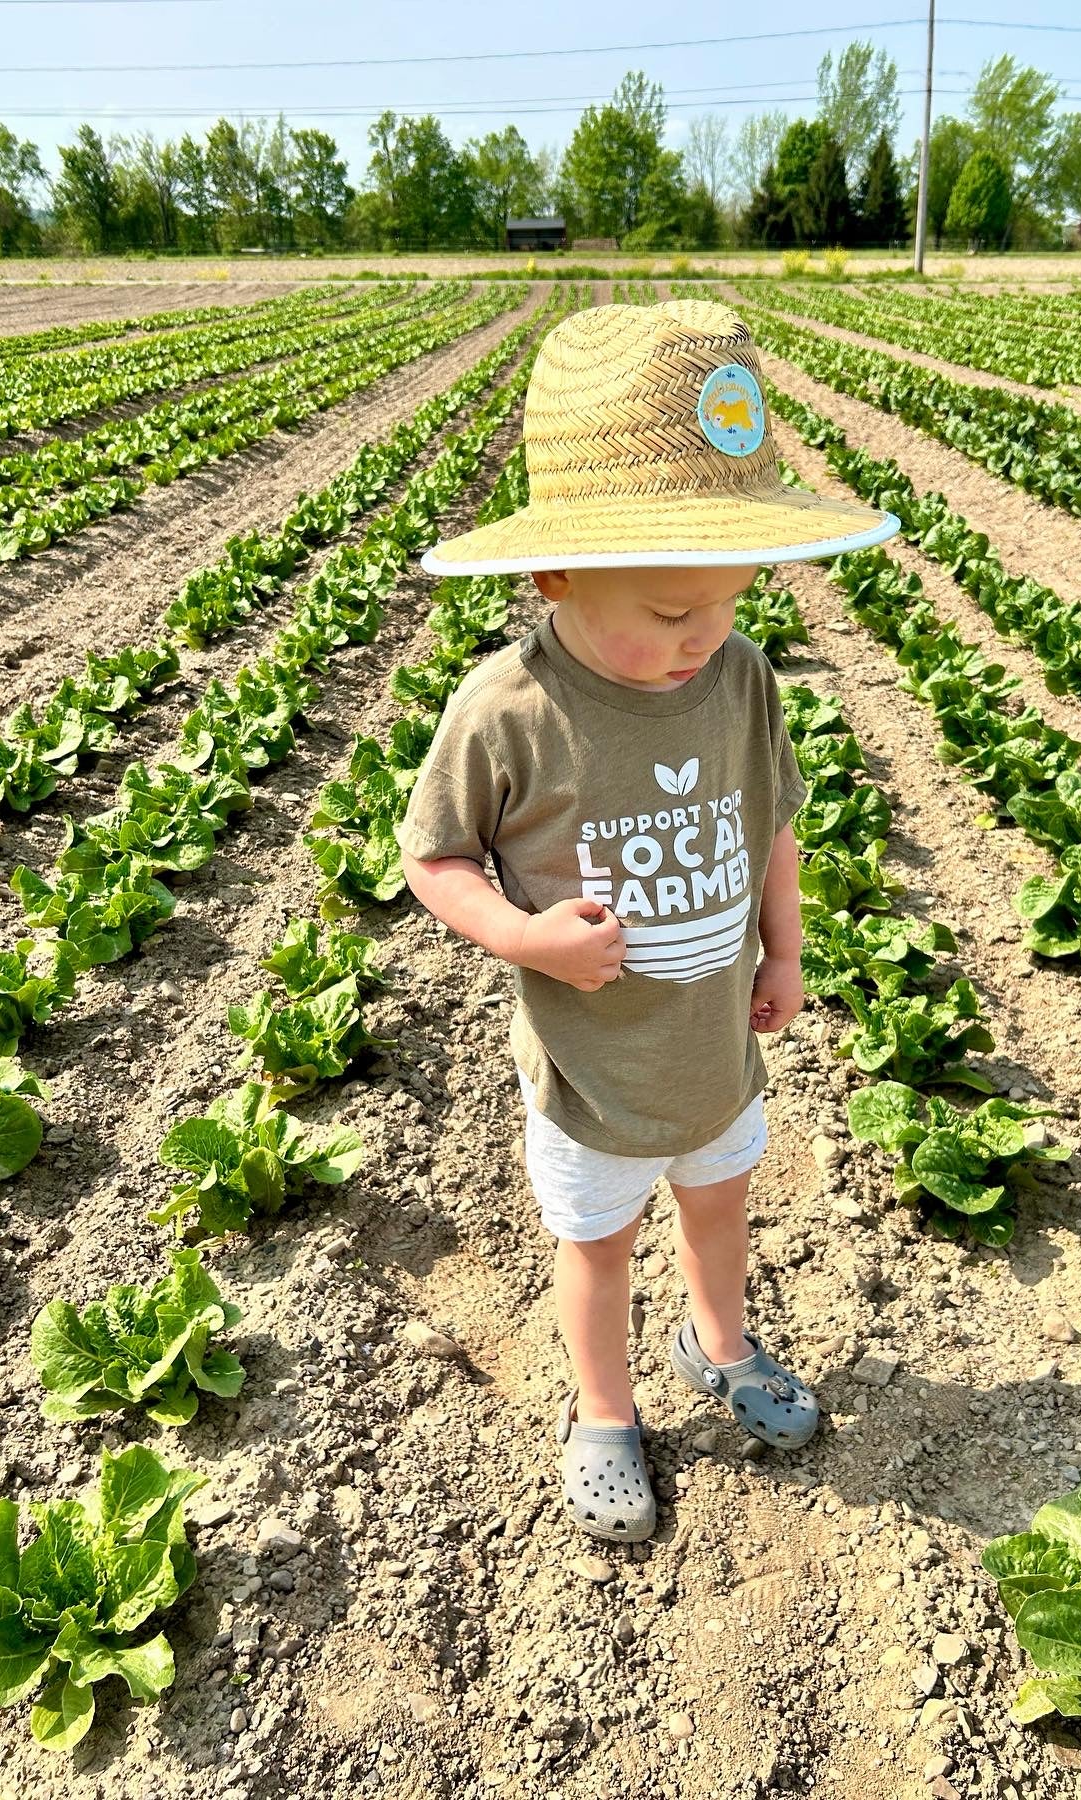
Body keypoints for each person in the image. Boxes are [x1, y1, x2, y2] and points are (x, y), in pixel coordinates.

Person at [395, 299, 898, 1543]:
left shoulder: (740, 678)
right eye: (670, 611)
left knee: (721, 1204)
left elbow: (770, 822)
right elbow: (436, 859)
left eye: (724, 601)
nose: (700, 636)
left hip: (714, 1047)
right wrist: (523, 938)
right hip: (592, 1070)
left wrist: (782, 948)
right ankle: (603, 1409)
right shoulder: (508, 709)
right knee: (600, 1241)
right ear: (555, 573)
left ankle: (720, 1343)